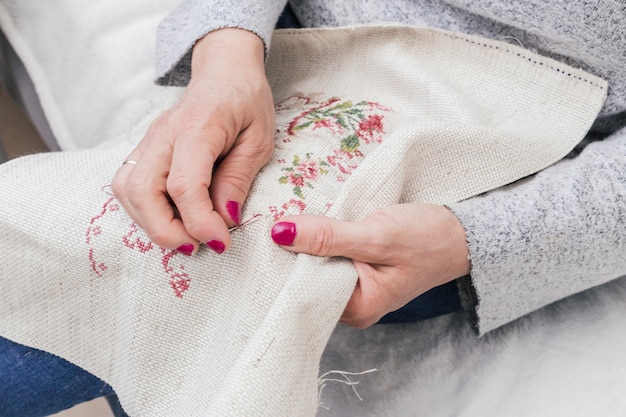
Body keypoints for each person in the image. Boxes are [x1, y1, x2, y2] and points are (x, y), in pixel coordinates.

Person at [2, 1, 625, 416]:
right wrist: (227, 51)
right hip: (304, 43)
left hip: (518, 133)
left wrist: (478, 239)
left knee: (206, 262)